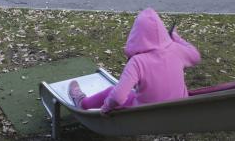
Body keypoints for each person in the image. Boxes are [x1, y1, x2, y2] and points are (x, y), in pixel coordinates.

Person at [67, 8, 200, 114]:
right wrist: (176, 38)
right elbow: (195, 56)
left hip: (146, 114)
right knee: (134, 92)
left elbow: (118, 97)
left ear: (136, 34)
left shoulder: (137, 62)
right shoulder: (177, 49)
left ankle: (82, 103)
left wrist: (106, 108)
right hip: (179, 110)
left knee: (112, 91)